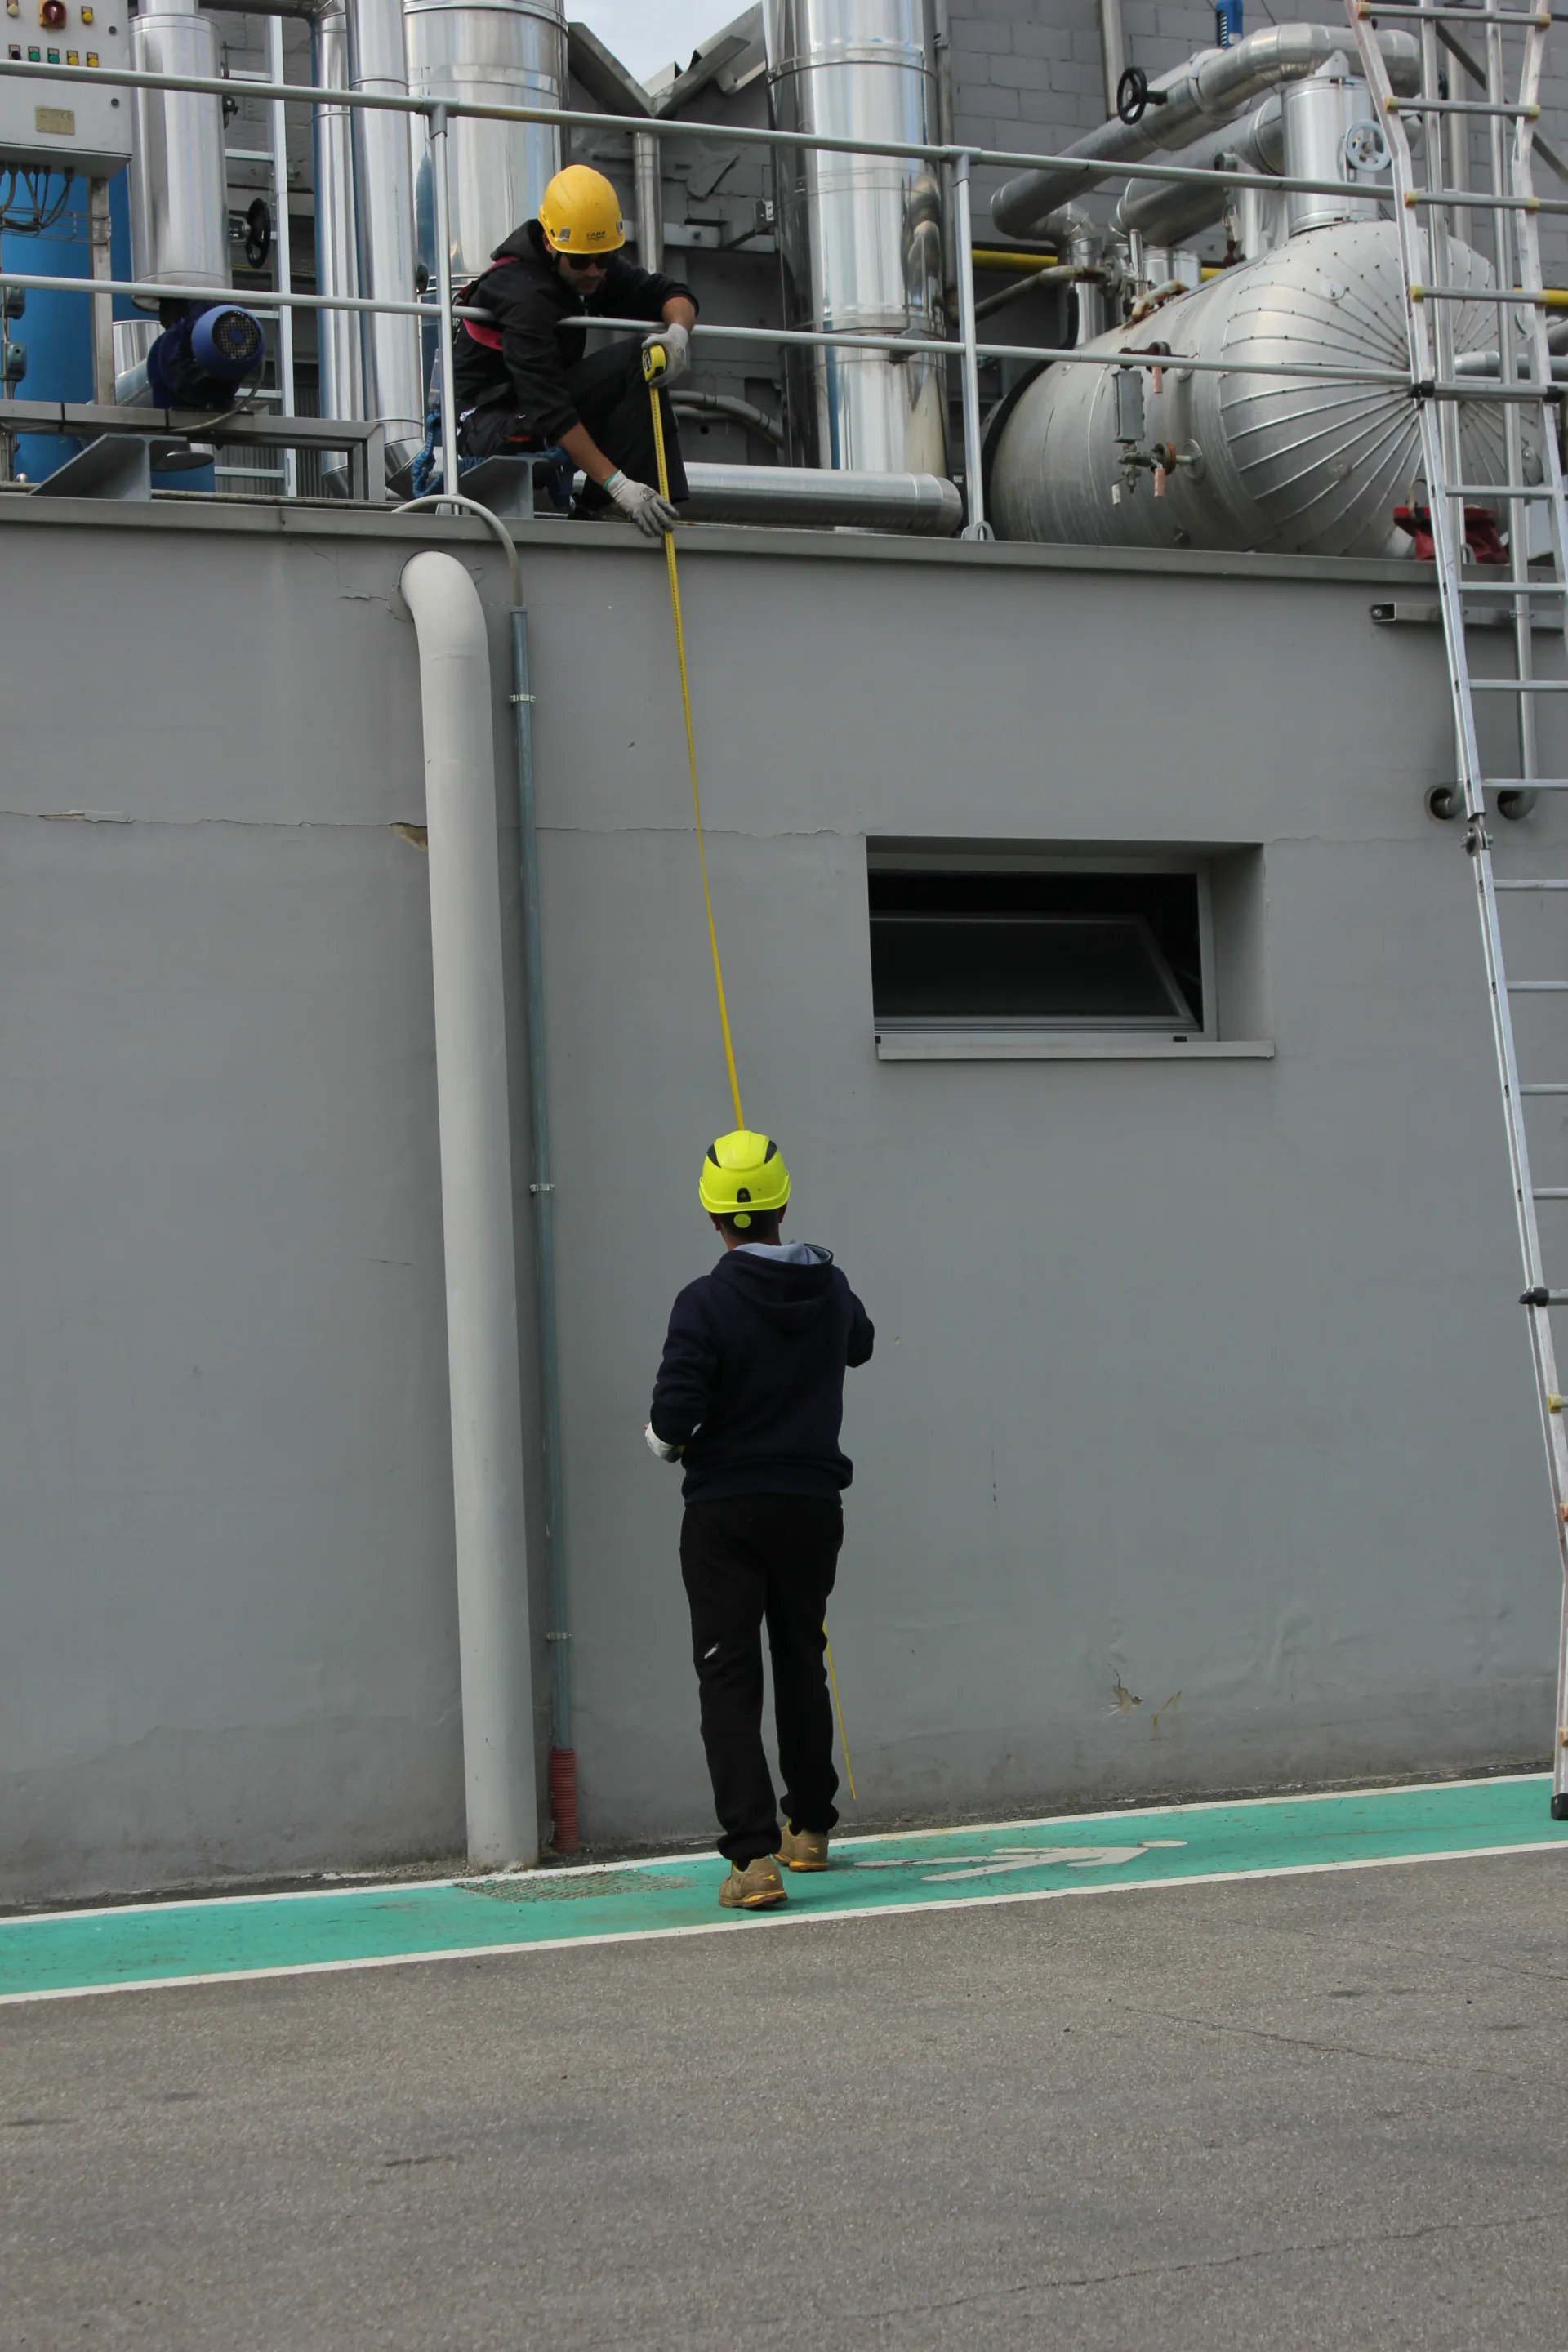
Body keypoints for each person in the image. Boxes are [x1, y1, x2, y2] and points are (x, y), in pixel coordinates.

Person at [645, 1131, 875, 1912]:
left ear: (712, 1215)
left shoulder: (703, 1302)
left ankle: (751, 1859)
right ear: (782, 1204)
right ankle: (808, 1828)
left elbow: (673, 1419)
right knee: (801, 1656)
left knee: (729, 1673)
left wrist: (666, 1441)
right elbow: (860, 1345)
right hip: (811, 1504)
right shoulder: (830, 1286)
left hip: (725, 1511)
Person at [449, 163, 697, 537]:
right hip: (489, 429)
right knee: (634, 362)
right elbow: (548, 406)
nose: (594, 271)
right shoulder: (524, 295)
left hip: (530, 410)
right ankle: (611, 505)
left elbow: (668, 293)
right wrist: (618, 485)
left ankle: (642, 505)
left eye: (605, 257)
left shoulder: (584, 266)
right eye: (582, 261)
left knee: (644, 364)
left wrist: (677, 333)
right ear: (551, 245)